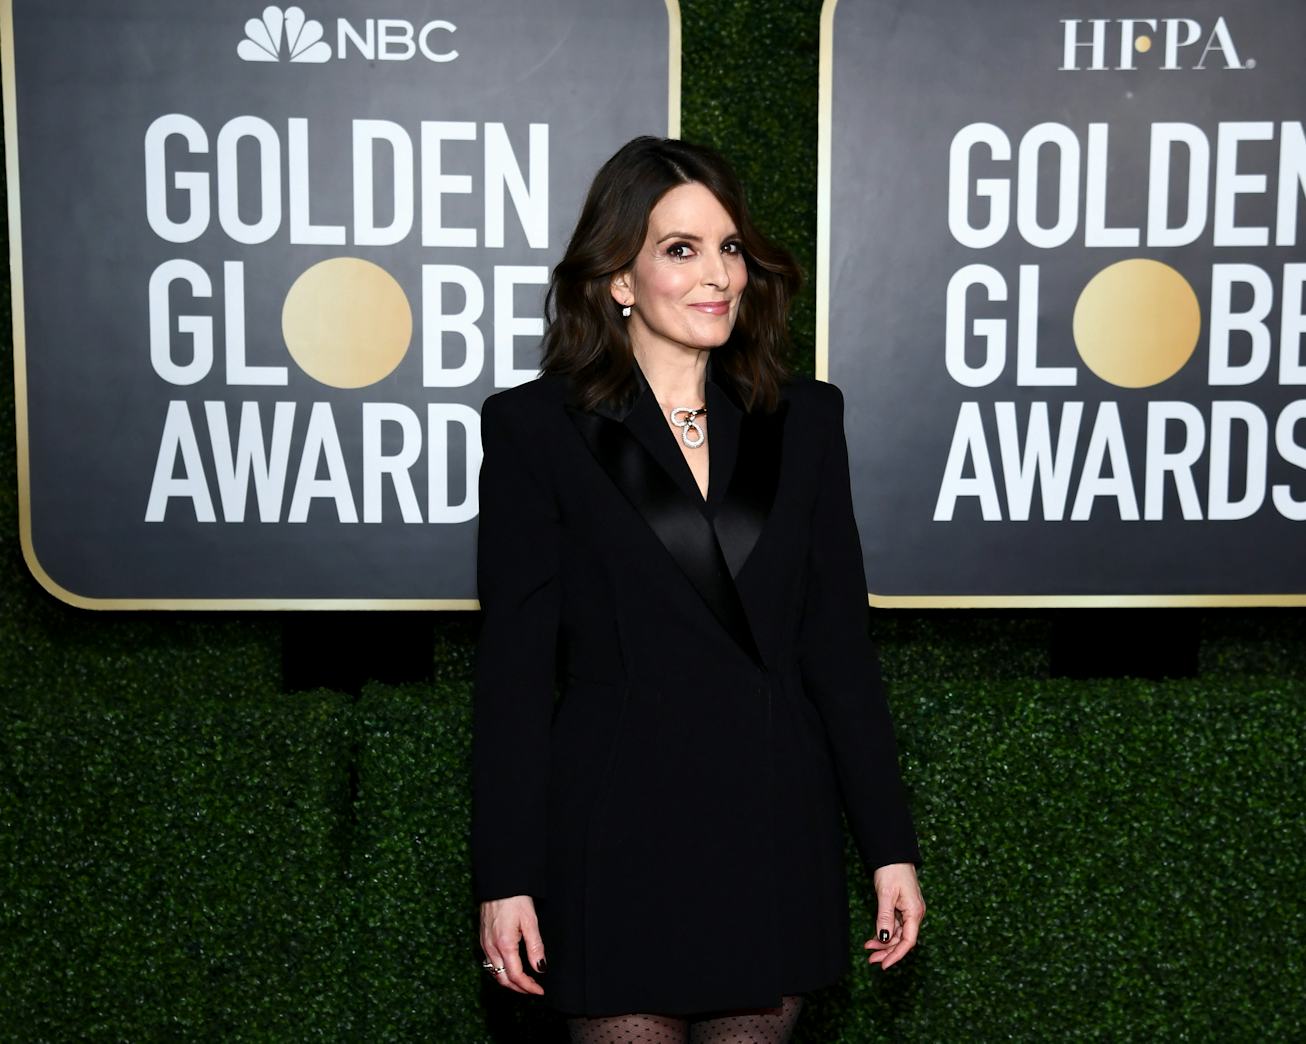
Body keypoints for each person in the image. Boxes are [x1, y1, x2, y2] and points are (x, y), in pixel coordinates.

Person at [472, 136, 924, 1043]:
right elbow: (515, 675)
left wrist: (890, 847)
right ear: (620, 278)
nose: (717, 273)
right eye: (681, 249)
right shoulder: (537, 429)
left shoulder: (807, 421)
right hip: (614, 829)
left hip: (768, 819)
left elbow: (837, 652)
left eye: (729, 248)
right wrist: (505, 873)